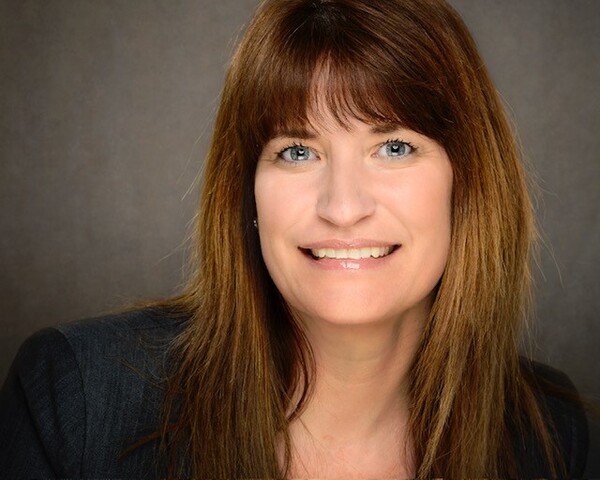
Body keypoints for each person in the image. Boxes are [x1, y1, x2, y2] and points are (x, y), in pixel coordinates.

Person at [0, 0, 589, 478]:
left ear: (469, 183)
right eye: (298, 151)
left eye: (394, 147)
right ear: (248, 191)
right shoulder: (76, 398)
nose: (343, 208)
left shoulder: (551, 434)